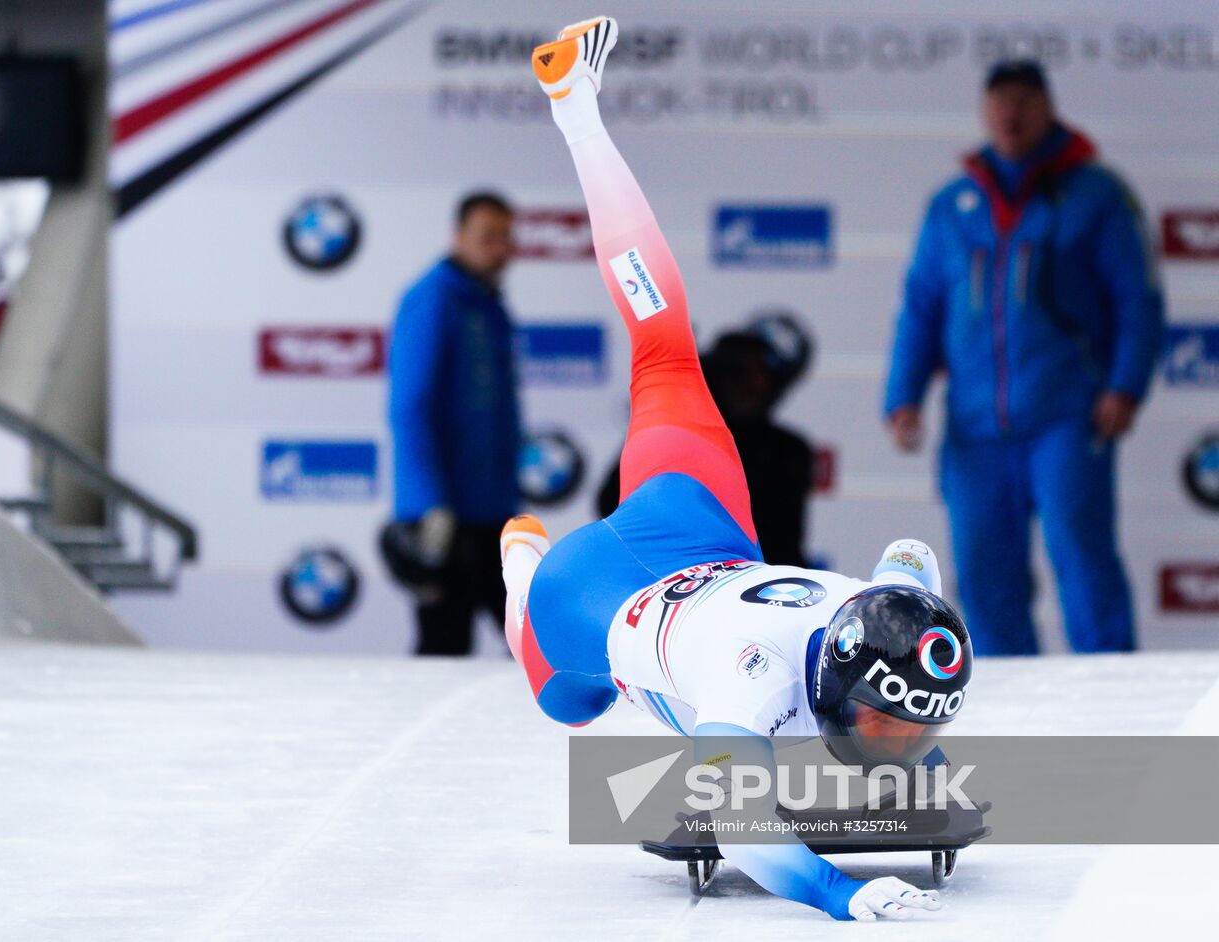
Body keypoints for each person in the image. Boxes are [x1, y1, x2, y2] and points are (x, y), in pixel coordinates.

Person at [504, 17, 970, 922]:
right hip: (589, 592)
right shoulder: (747, 685)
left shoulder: (880, 616)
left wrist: (915, 659)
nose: (899, 744)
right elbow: (752, 831)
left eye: (913, 727)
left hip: (700, 518)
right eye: (886, 725)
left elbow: (909, 562)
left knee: (663, 350)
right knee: (565, 706)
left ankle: (577, 111)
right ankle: (521, 561)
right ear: (834, 689)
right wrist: (838, 893)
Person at [883, 60, 1165, 655]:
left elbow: (1137, 300)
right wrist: (902, 396)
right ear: (984, 112)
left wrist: (1126, 386)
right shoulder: (952, 204)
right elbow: (922, 307)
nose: (1011, 112)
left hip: (1067, 415)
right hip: (975, 427)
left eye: (1024, 100)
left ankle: (1117, 697)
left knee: (1082, 558)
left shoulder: (1096, 195)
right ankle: (1010, 711)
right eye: (1000, 101)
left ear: (1047, 108)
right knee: (984, 577)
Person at [387, 191, 522, 655]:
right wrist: (429, 505)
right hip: (445, 521)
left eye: (506, 237)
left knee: (528, 646)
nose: (500, 248)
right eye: (488, 237)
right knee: (443, 647)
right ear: (458, 237)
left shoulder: (490, 307)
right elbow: (410, 407)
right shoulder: (432, 301)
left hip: (492, 514)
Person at [596, 313, 815, 566]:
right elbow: (612, 503)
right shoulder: (674, 432)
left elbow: (780, 545)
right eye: (737, 373)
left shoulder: (787, 452)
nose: (748, 385)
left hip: (750, 583)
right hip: (669, 575)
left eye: (762, 377)